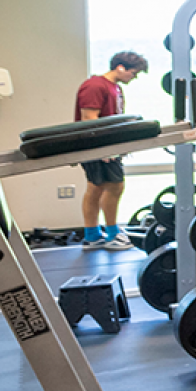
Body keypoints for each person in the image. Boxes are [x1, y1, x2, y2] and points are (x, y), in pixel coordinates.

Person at [75, 51, 146, 250]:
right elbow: (89, 118)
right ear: (120, 68)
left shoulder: (114, 87)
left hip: (108, 146)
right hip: (97, 147)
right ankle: (112, 233)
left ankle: (92, 236)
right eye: (133, 73)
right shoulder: (95, 85)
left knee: (96, 188)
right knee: (115, 186)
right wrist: (103, 150)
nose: (134, 77)